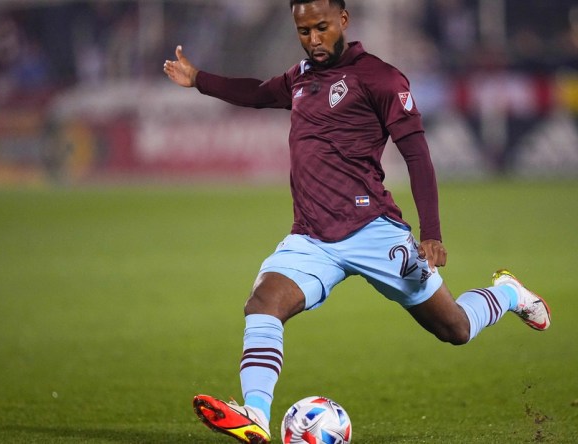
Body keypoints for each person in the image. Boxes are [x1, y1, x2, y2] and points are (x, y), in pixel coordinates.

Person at [163, 1, 551, 442]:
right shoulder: (300, 78)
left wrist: (432, 234)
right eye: (304, 30)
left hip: (374, 231)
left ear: (343, 21)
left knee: (455, 329)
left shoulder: (381, 78)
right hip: (311, 237)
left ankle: (508, 292)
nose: (313, 40)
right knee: (263, 303)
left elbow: (417, 155)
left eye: (321, 28)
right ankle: (255, 414)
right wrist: (197, 79)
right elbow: (255, 93)